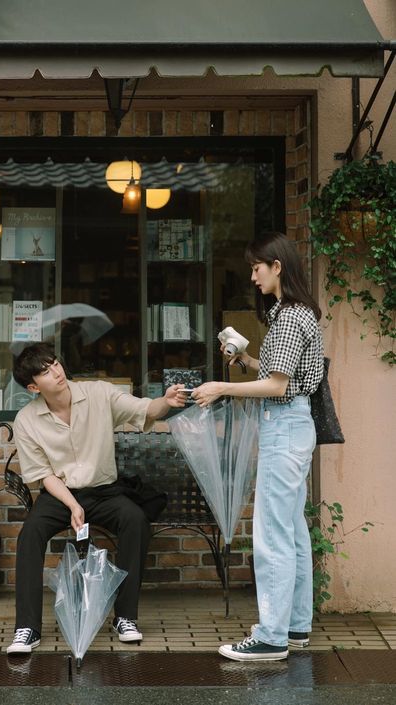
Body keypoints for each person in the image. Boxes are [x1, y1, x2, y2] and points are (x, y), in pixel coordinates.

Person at [188, 232, 324, 662]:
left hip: (284, 427)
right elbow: (280, 375)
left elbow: (277, 385)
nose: (252, 276)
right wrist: (245, 361)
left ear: (276, 266)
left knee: (272, 535)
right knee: (293, 530)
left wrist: (220, 386)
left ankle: (271, 637)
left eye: (256, 267)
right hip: (295, 425)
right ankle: (295, 627)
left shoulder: (289, 317)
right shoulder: (299, 313)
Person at [7, 342, 185, 654]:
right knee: (29, 534)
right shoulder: (26, 420)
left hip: (104, 491)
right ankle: (28, 628)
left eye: (56, 364)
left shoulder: (99, 393)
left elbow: (144, 410)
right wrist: (73, 504)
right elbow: (44, 475)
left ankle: (125, 617)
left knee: (135, 520)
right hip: (60, 495)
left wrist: (166, 401)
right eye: (46, 372)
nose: (57, 372)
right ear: (34, 387)